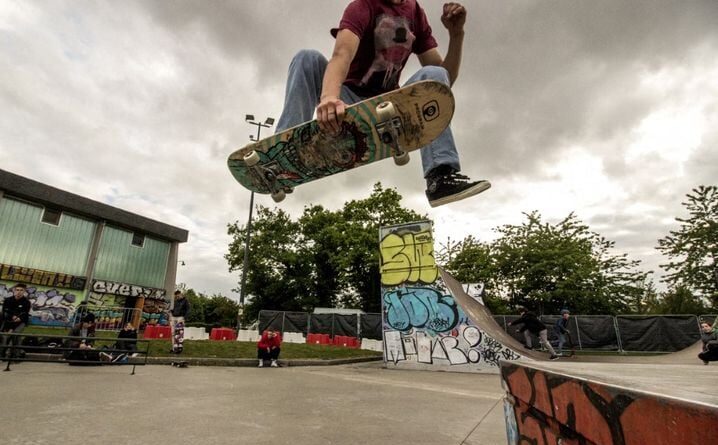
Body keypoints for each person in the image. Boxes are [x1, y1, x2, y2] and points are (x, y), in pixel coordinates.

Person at [275, 0, 490, 207]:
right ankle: (282, 154)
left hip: (387, 108)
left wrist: (456, 34)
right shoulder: (362, 6)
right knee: (307, 58)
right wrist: (329, 98)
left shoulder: (414, 13)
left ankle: (440, 177)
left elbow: (443, 84)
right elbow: (342, 53)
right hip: (347, 102)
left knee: (435, 74)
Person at [1, 283, 31, 360]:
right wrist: (11, 319)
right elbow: (5, 311)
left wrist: (17, 320)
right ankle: (2, 355)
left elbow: (24, 314)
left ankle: (13, 356)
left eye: (21, 290)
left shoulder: (26, 302)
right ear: (14, 290)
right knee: (5, 337)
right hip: (8, 321)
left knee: (15, 335)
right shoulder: (8, 300)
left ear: (24, 291)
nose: (19, 292)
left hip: (20, 322)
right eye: (17, 290)